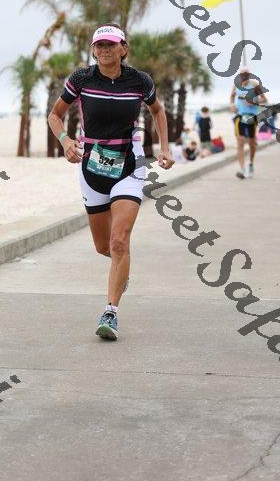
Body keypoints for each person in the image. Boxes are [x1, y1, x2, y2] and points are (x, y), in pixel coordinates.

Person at [47, 23, 174, 341]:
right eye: (99, 45)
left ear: (123, 48)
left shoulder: (139, 81)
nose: (104, 50)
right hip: (91, 166)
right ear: (93, 50)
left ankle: (110, 312)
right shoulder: (81, 79)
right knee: (103, 247)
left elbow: (158, 111)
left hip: (129, 164)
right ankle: (122, 268)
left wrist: (165, 148)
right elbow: (54, 115)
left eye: (110, 44)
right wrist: (65, 140)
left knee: (119, 240)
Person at [230, 66, 268, 179]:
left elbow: (264, 99)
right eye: (242, 74)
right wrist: (232, 105)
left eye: (246, 74)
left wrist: (254, 101)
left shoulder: (254, 85)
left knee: (252, 143)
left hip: (252, 117)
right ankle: (242, 169)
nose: (244, 76)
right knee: (240, 141)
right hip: (239, 116)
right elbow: (232, 97)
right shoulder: (236, 85)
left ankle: (250, 164)